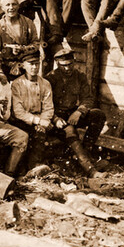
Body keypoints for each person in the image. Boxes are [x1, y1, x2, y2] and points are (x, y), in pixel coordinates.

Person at [45, 48, 106, 178]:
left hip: (72, 114)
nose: (67, 68)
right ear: (57, 64)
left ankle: (86, 151)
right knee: (70, 131)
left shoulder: (80, 76)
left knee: (98, 115)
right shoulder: (50, 79)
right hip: (55, 117)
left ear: (74, 62)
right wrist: (55, 119)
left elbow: (88, 98)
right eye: (63, 65)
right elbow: (45, 105)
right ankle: (90, 170)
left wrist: (79, 111)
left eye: (70, 64)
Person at [10, 51, 58, 170]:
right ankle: (22, 169)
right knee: (26, 136)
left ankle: (34, 168)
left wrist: (43, 121)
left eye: (37, 63)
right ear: (23, 65)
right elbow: (18, 111)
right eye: (31, 64)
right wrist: (37, 121)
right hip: (23, 120)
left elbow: (48, 107)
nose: (35, 67)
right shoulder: (17, 84)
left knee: (43, 133)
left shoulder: (45, 84)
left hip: (41, 120)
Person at [0, 0, 44, 80]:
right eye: (7, 5)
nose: (11, 8)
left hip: (26, 65)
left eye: (14, 4)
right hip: (6, 67)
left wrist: (22, 49)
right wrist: (0, 73)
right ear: (2, 8)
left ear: (18, 6)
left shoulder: (28, 23)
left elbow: (36, 44)